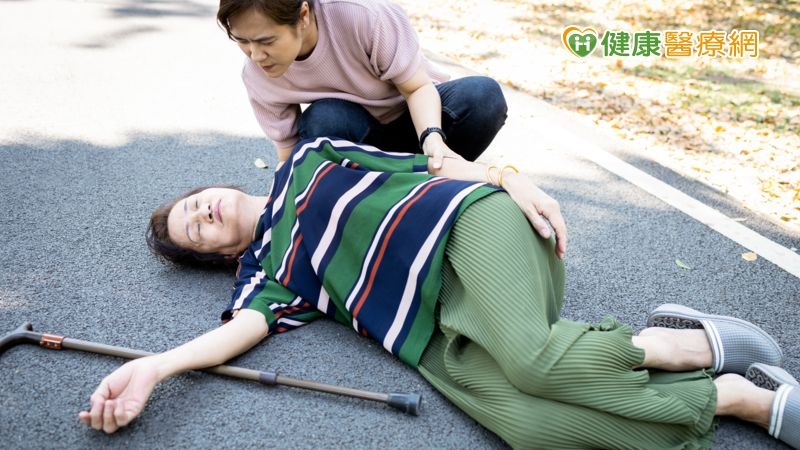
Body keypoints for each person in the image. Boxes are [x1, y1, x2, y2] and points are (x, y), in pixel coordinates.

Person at [79, 138, 800, 449]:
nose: (203, 213)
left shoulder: (309, 158)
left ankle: (684, 346)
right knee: (531, 428)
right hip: (437, 334)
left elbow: (431, 162)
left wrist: (509, 178)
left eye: (195, 203)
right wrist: (156, 367)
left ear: (213, 185)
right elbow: (236, 333)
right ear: (221, 255)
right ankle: (731, 398)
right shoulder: (267, 276)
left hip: (468, 230)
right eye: (197, 231)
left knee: (534, 362)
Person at [216, 0, 508, 168]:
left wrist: (432, 137)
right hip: (359, 142)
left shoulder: (362, 15)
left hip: (417, 117)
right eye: (242, 41)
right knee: (323, 120)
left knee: (484, 96)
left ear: (303, 16)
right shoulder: (257, 75)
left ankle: (440, 175)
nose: (256, 55)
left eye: (266, 41)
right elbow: (291, 156)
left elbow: (417, 88)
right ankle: (377, 198)